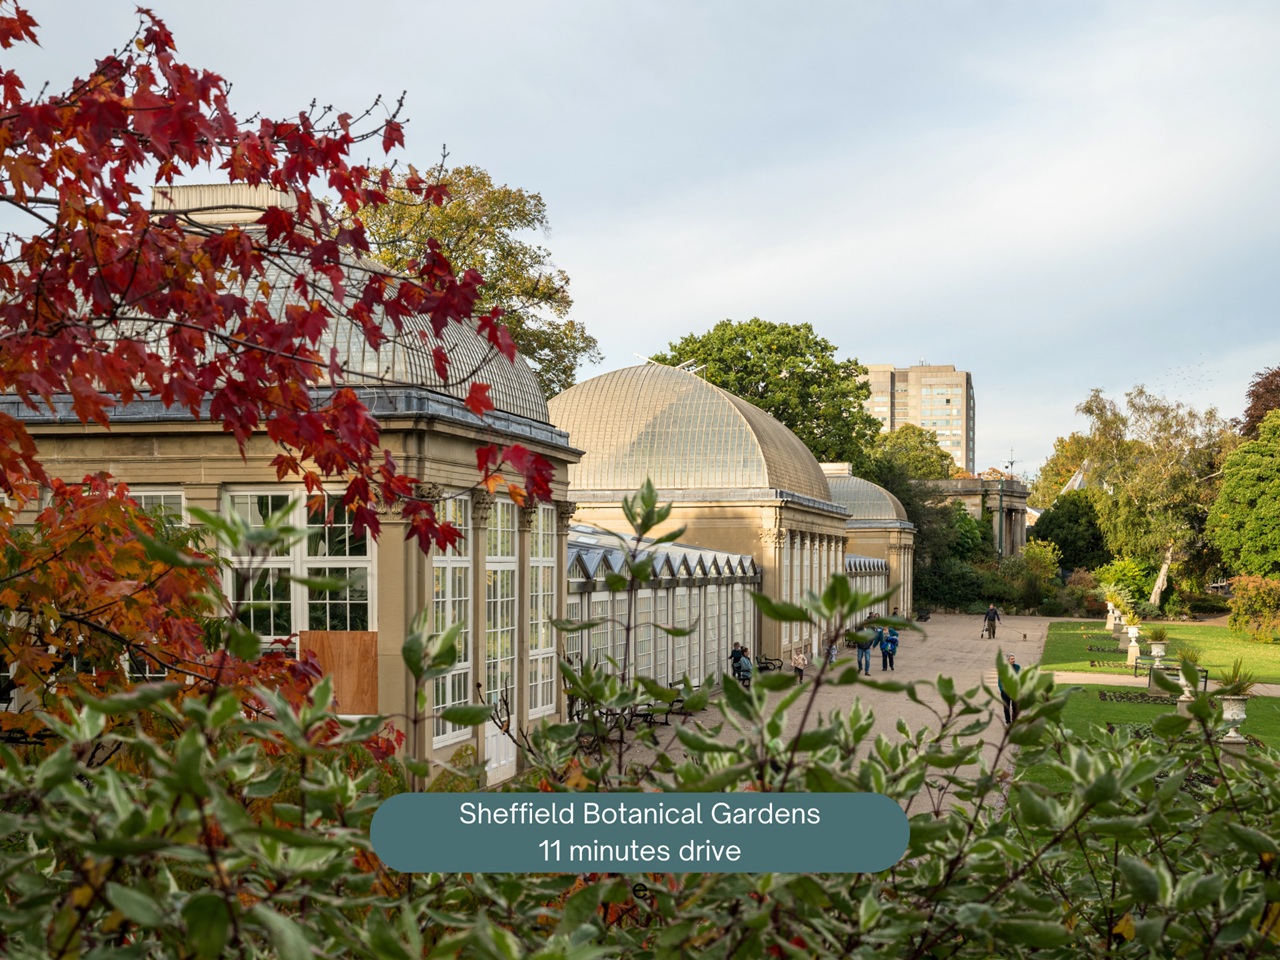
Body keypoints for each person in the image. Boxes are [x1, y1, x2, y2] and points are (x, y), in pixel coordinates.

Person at [999, 654, 1022, 724]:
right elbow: (1000, 681)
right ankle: (1008, 721)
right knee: (1006, 708)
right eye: (1012, 659)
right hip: (1005, 692)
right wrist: (1002, 690)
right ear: (1008, 660)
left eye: (1014, 659)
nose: (1013, 660)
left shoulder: (1018, 667)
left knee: (1015, 707)